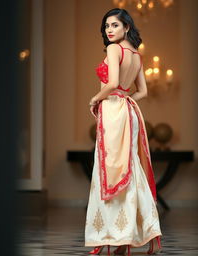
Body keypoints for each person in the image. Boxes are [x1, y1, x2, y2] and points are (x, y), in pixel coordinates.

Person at [85, 8, 163, 255]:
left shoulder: (114, 49)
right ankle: (135, 232)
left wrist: (95, 99)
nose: (109, 30)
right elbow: (142, 92)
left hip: (113, 112)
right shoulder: (137, 56)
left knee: (112, 167)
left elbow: (110, 83)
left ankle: (116, 234)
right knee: (129, 167)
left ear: (127, 27)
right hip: (128, 110)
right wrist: (124, 98)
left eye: (115, 25)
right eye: (106, 25)